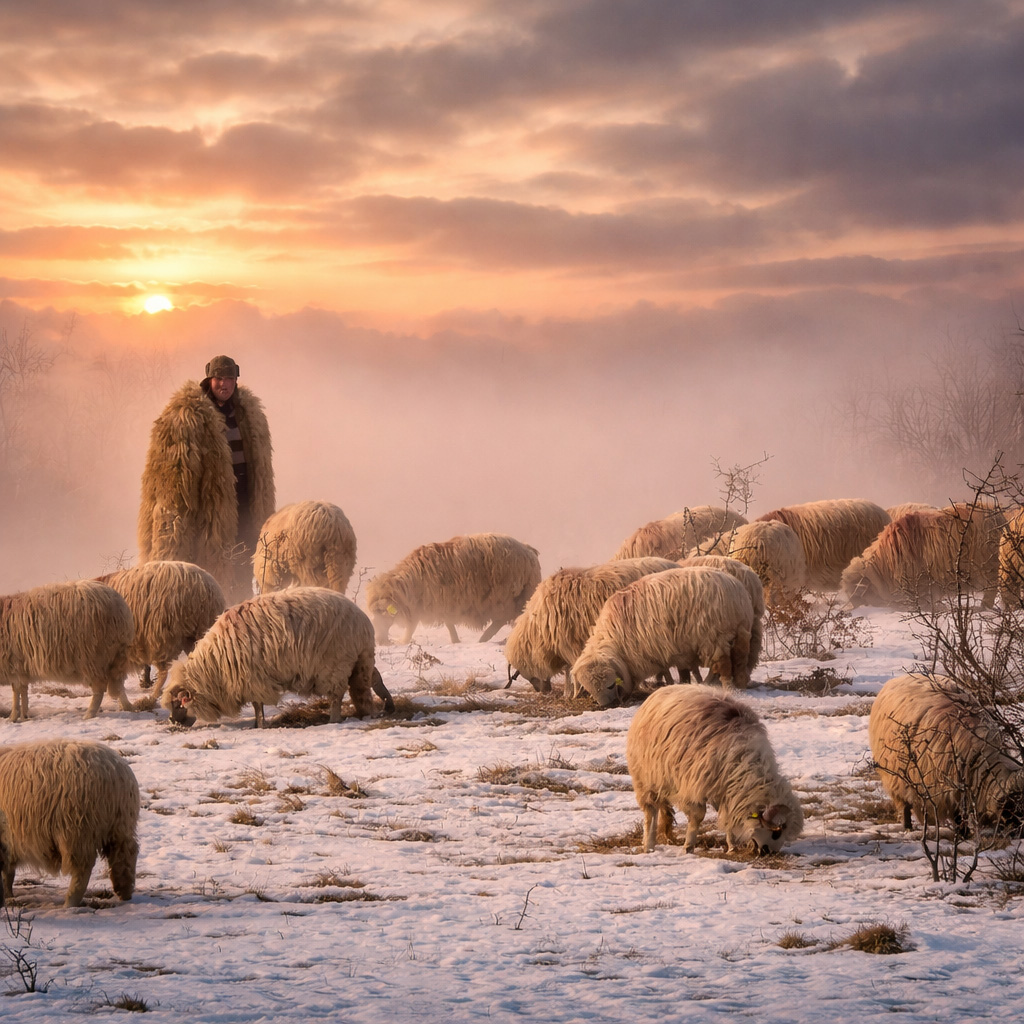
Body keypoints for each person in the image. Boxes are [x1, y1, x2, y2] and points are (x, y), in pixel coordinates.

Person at [137, 355, 275, 603]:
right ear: (209, 379)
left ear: (236, 380)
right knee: (212, 566)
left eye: (230, 378)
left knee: (244, 561)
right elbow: (173, 474)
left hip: (245, 499)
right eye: (219, 378)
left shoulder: (248, 414)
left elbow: (262, 467)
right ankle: (213, 616)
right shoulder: (188, 416)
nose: (224, 384)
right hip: (211, 506)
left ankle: (241, 614)